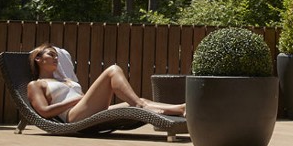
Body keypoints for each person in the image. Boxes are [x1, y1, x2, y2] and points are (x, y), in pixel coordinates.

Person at [27, 43, 184, 122]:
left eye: (56, 55)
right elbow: (44, 112)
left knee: (136, 101)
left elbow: (84, 99)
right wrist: (79, 99)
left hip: (84, 109)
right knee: (113, 70)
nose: (56, 58)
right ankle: (141, 106)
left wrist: (81, 98)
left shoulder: (65, 79)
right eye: (51, 55)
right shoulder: (36, 84)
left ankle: (181, 109)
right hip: (73, 116)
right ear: (38, 59)